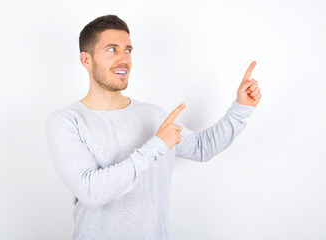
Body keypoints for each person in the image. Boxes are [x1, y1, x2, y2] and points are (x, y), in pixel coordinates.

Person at [45, 14, 262, 240]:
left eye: (128, 50)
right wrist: (156, 145)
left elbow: (202, 148)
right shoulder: (66, 121)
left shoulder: (153, 114)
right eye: (112, 49)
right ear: (86, 60)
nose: (124, 59)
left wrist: (241, 109)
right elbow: (92, 192)